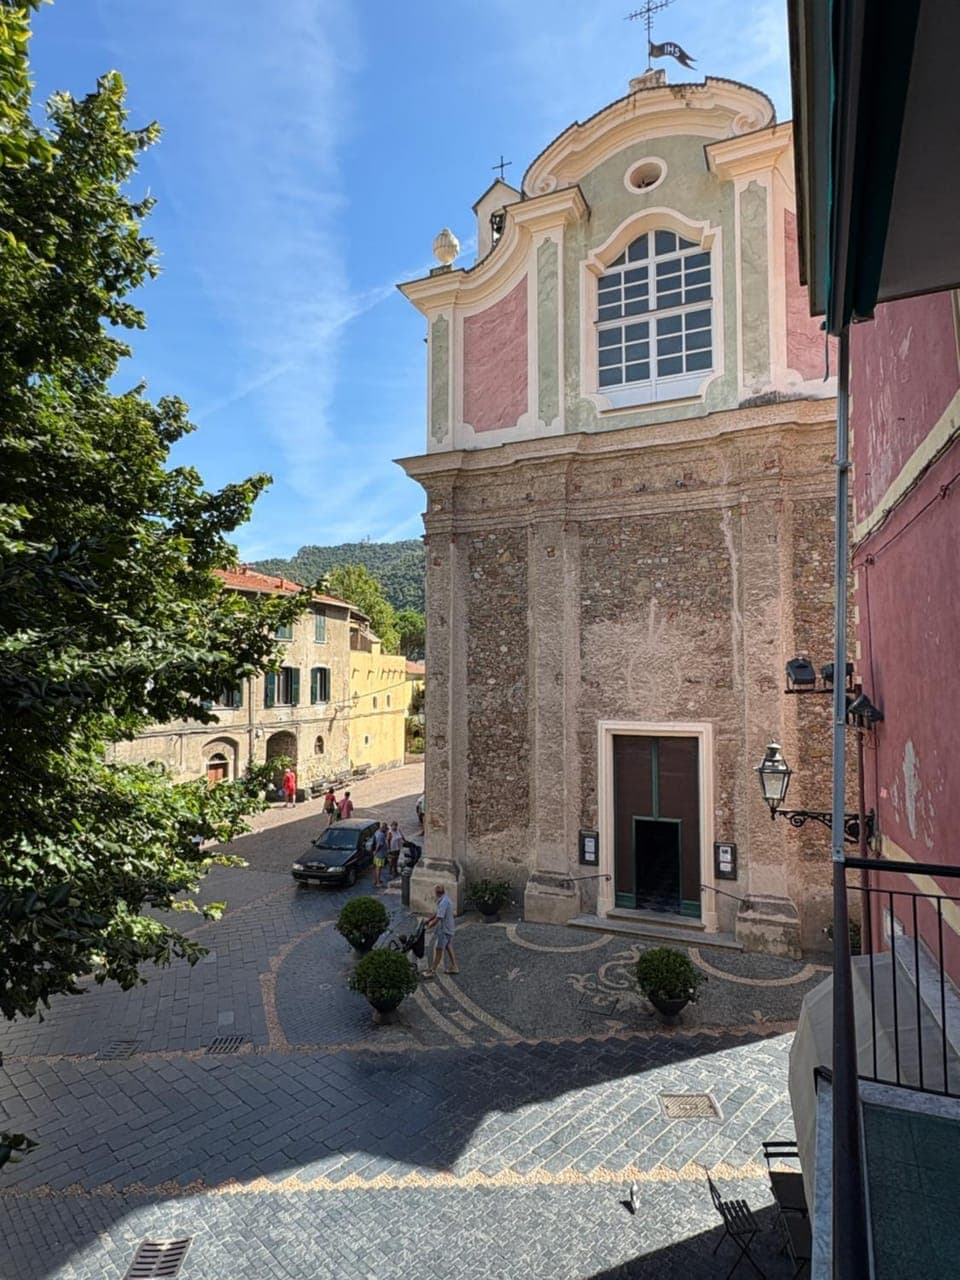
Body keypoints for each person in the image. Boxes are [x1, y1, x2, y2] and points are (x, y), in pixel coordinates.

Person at [422, 883, 458, 977]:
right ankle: (454, 967)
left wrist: (430, 925)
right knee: (448, 946)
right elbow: (437, 913)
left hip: (445, 930)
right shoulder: (445, 899)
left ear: (437, 893)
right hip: (450, 927)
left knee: (439, 949)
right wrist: (428, 920)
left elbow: (439, 917)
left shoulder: (443, 903)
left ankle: (432, 970)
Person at [372, 822, 388, 887]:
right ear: (383, 828)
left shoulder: (377, 832)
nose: (386, 830)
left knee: (376, 868)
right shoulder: (381, 835)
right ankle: (378, 882)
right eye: (386, 829)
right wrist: (376, 851)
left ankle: (376, 880)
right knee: (379, 868)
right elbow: (379, 845)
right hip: (380, 854)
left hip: (377, 854)